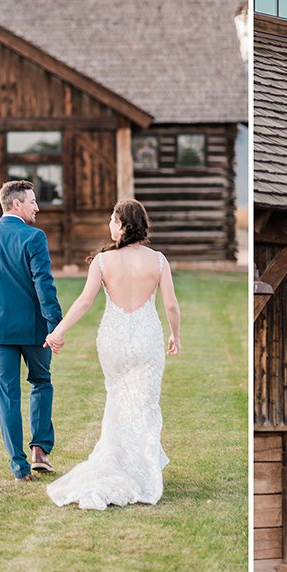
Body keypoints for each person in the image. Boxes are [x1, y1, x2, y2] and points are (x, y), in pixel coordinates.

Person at [43, 199, 181, 510]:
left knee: (118, 397)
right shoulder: (158, 261)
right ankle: (142, 467)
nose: (109, 224)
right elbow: (171, 305)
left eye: (111, 219)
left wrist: (58, 332)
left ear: (121, 225)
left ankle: (121, 462)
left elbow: (83, 302)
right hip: (146, 338)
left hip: (114, 339)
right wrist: (175, 334)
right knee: (144, 401)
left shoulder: (104, 262)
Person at [0, 180, 62, 481]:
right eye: (33, 201)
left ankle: (19, 467)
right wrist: (55, 325)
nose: (37, 207)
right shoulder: (34, 237)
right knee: (41, 382)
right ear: (16, 204)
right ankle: (40, 449)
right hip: (35, 330)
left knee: (7, 396)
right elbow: (43, 284)